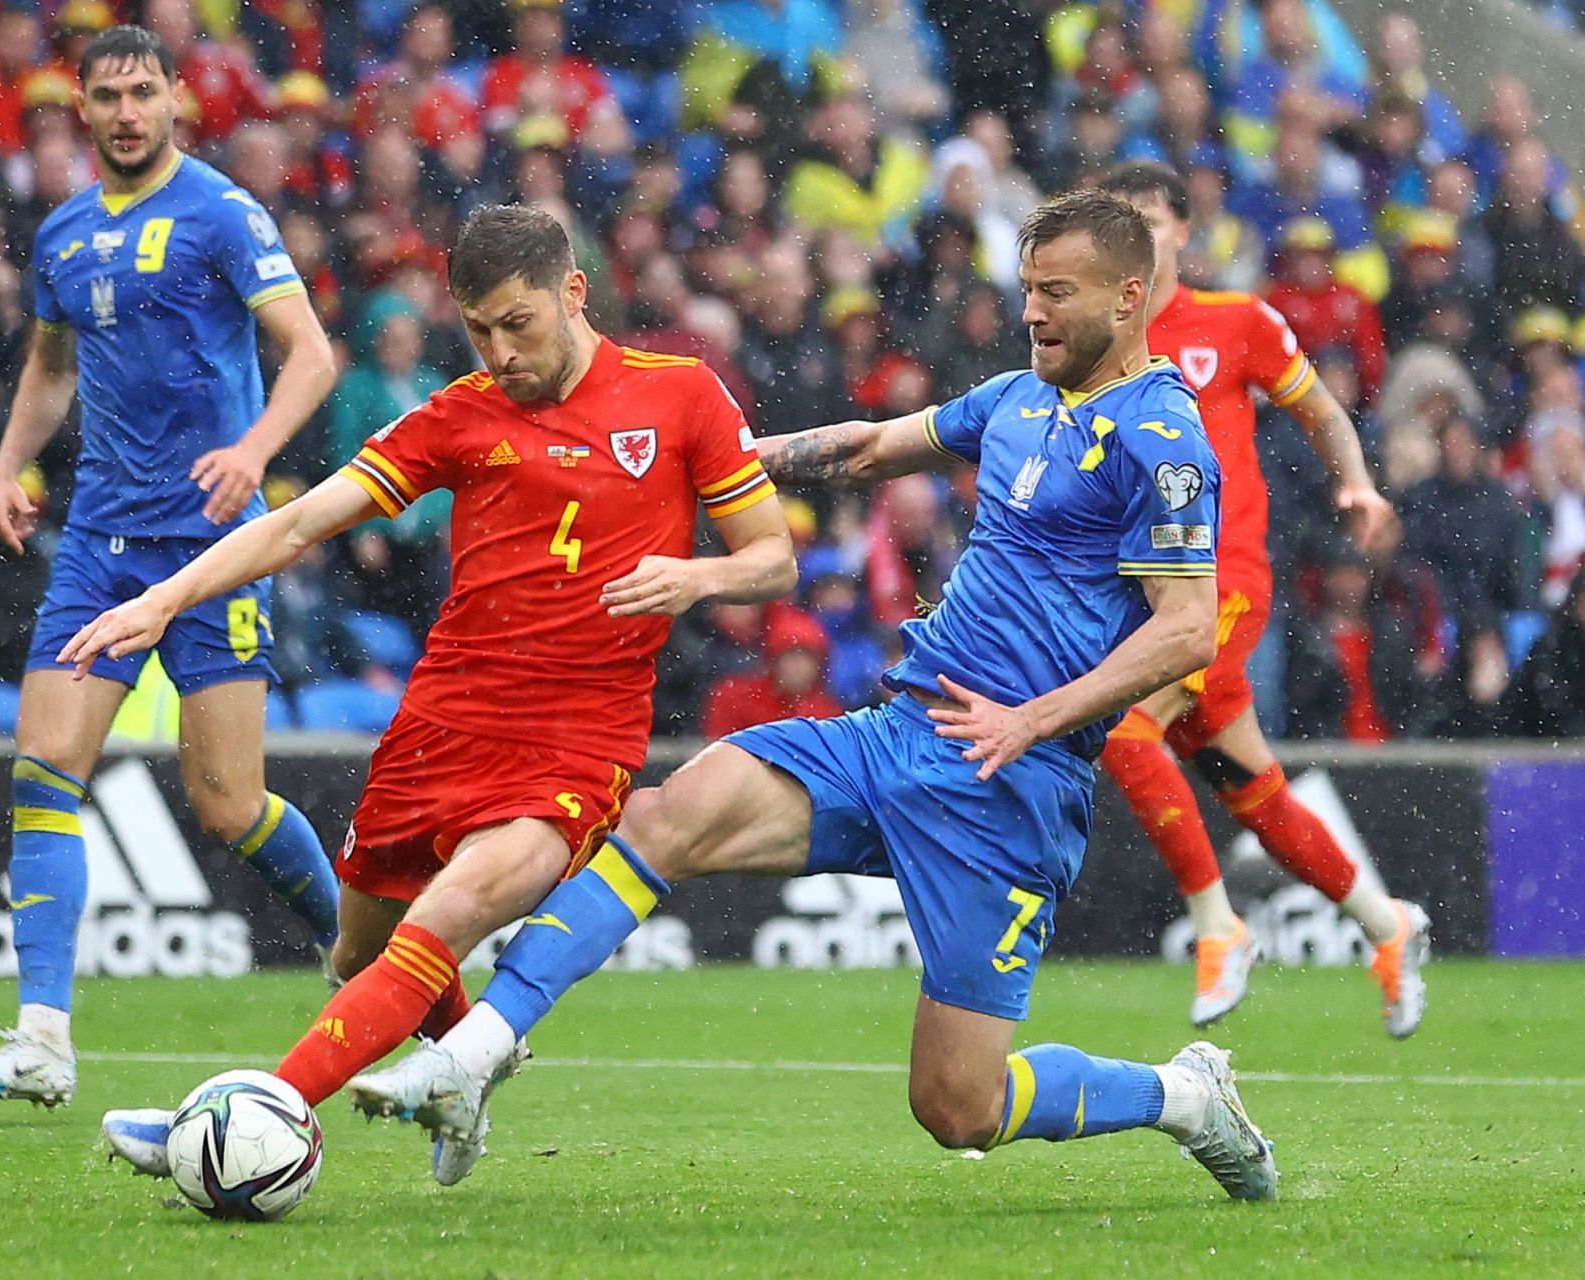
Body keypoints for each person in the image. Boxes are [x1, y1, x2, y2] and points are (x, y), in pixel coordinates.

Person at [352, 190, 1280, 1202]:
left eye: (1057, 293)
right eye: (1026, 291)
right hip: (900, 730)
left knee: (956, 1106)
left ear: (1130, 294)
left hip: (1012, 781)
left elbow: (1186, 625)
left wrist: (1033, 716)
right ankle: (475, 1050)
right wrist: (712, 459)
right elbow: (873, 446)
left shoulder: (1164, 436)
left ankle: (1182, 1095)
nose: (1033, 312)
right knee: (674, 812)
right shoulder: (1017, 399)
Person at [83, 202, 794, 1183]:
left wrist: (696, 577)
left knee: (443, 917)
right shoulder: (460, 416)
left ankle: (248, 1115)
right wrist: (163, 597)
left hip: (579, 737)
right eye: (479, 329)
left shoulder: (683, 398)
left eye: (518, 323)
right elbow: (299, 525)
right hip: (443, 723)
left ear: (572, 292)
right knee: (359, 957)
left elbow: (774, 557)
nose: (499, 352)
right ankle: (464, 1070)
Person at [0, 25, 342, 1110]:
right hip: (101, 544)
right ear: (81, 107)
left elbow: (311, 354)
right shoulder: (64, 235)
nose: (125, 112)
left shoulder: (220, 212)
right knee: (43, 767)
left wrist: (254, 453)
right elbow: (52, 363)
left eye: (142, 92)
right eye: (107, 95)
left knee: (229, 806)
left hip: (216, 546)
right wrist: (9, 463)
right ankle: (41, 1038)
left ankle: (363, 950)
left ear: (176, 102)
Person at [1095, 161, 1428, 1033]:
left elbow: (1319, 410)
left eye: (1147, 220)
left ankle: (1218, 926)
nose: (1133, 235)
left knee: (1124, 729)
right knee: (1259, 796)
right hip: (1140, 592)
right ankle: (1388, 927)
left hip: (1223, 583)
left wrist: (1355, 483)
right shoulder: (1095, 344)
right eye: (1116, 222)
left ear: (1179, 233)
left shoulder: (1234, 322)